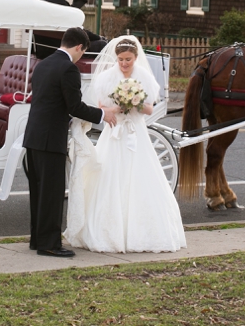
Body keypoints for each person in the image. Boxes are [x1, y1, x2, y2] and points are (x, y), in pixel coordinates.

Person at [63, 35, 187, 253]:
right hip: (115, 132)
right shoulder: (106, 78)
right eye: (120, 59)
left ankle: (142, 232)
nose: (124, 63)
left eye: (128, 59)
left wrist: (135, 102)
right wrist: (120, 106)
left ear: (135, 57)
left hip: (136, 131)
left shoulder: (144, 77)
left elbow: (149, 108)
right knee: (109, 176)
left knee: (140, 176)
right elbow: (102, 105)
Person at [23, 27, 119, 258]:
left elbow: (50, 101)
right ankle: (50, 244)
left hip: (33, 135)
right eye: (82, 53)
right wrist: (102, 114)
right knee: (52, 193)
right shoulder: (68, 68)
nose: (80, 57)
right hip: (50, 138)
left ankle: (38, 239)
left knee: (38, 191)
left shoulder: (42, 64)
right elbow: (73, 106)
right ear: (79, 47)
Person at [35, 0, 106, 57]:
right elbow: (75, 30)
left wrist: (74, 8)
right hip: (57, 49)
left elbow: (63, 19)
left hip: (42, 47)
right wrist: (98, 37)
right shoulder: (58, 2)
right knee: (103, 45)